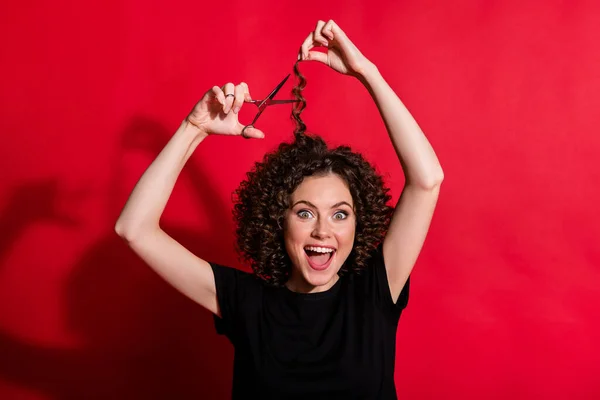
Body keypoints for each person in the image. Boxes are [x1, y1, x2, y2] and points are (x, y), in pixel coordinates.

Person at [115, 20, 443, 399]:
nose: (323, 231)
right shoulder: (246, 300)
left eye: (340, 214)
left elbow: (427, 180)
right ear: (278, 220)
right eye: (305, 213)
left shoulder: (374, 290)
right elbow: (134, 228)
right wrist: (194, 128)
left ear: (358, 224)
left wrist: (366, 73)